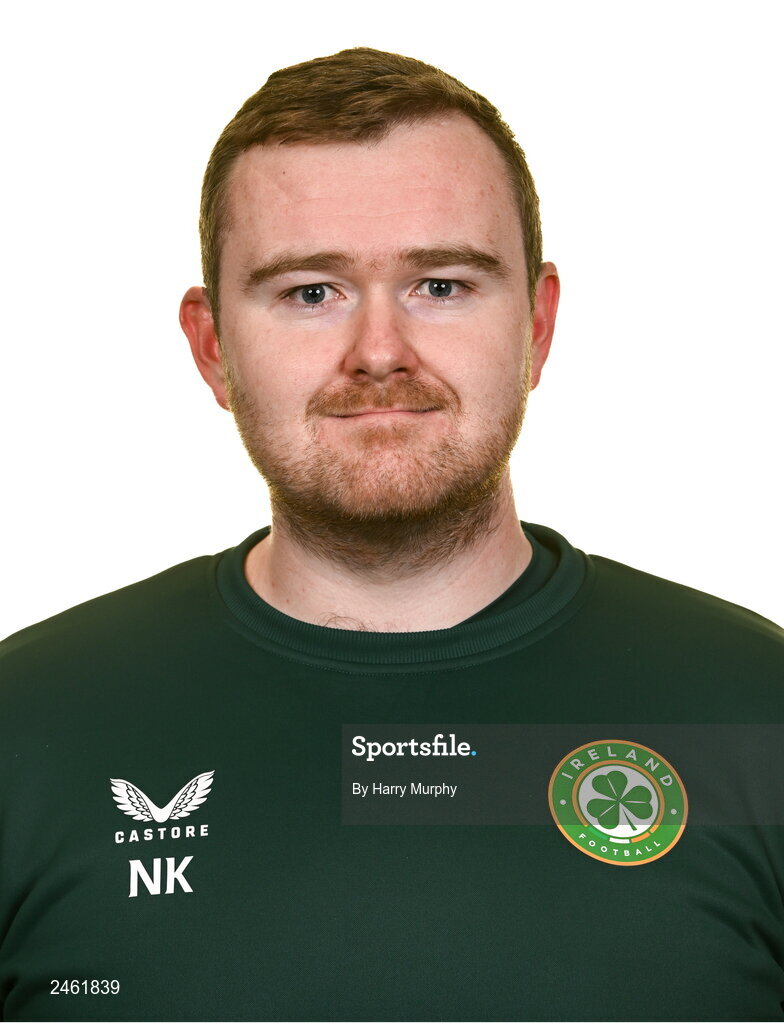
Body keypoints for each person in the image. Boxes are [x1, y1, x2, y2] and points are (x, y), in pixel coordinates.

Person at [1, 46, 782, 1023]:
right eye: (309, 292)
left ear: (537, 325)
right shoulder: (24, 728)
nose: (377, 353)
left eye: (442, 285)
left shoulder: (756, 712)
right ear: (212, 349)